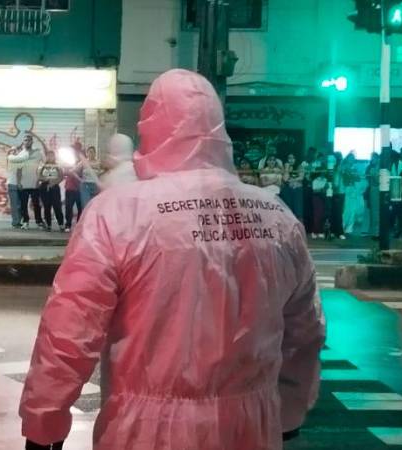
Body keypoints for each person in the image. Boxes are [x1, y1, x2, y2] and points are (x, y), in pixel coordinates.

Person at [19, 69, 324, 450]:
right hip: (251, 426)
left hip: (147, 430)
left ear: (150, 127)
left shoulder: (118, 214)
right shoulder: (276, 217)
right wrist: (289, 409)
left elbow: (69, 331)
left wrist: (44, 422)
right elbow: (303, 332)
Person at [9, 136, 43, 229]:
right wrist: (19, 182)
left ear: (32, 141)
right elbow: (18, 170)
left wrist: (39, 179)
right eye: (25, 140)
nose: (27, 142)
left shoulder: (38, 153)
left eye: (28, 140)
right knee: (24, 205)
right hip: (23, 184)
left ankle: (39, 221)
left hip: (35, 184)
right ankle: (25, 222)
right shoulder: (21, 154)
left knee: (36, 204)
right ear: (23, 142)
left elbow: (43, 166)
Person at [37, 148, 66, 232]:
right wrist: (46, 179)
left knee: (57, 206)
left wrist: (54, 182)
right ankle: (48, 224)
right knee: (47, 206)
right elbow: (39, 176)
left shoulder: (57, 165)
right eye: (48, 155)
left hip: (54, 187)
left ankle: (61, 224)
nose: (50, 157)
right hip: (44, 187)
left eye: (52, 155)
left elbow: (61, 176)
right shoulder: (42, 165)